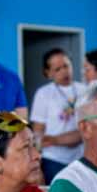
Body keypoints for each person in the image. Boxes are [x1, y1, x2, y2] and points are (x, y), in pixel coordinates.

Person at [30, 48, 87, 183]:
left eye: (66, 66)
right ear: (48, 73)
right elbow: (38, 133)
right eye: (57, 69)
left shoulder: (85, 90)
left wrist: (55, 140)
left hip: (81, 159)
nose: (64, 72)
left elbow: (86, 131)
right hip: (53, 160)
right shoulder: (43, 93)